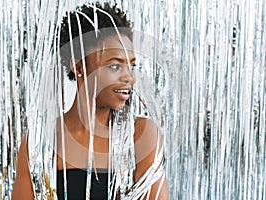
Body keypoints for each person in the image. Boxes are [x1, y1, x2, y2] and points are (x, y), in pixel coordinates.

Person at [12, 2, 169, 199]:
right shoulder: (39, 143)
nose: (129, 77)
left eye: (131, 66)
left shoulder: (141, 135)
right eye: (114, 66)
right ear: (79, 68)